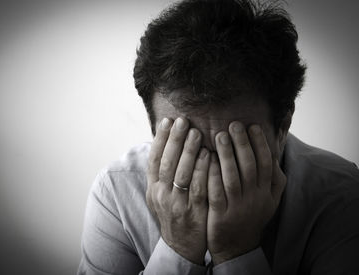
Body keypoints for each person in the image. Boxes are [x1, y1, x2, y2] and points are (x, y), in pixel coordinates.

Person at [78, 0, 359, 274]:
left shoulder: (339, 195)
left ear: (282, 124)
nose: (210, 177)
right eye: (187, 145)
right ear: (154, 129)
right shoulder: (117, 190)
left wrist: (236, 251)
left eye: (235, 149)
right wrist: (178, 247)